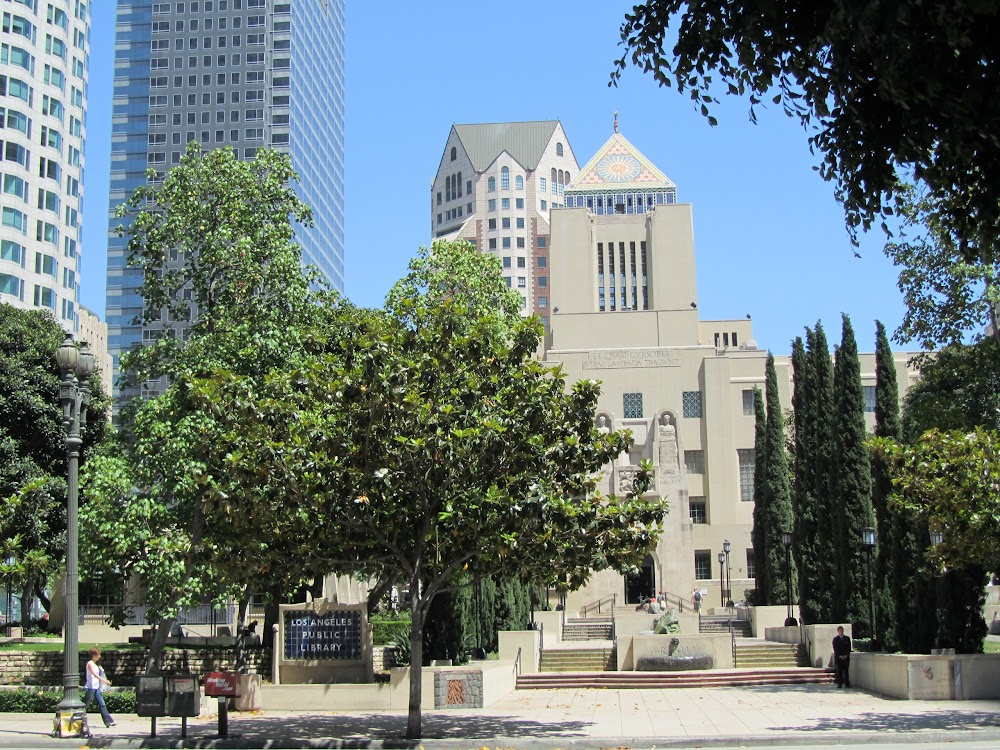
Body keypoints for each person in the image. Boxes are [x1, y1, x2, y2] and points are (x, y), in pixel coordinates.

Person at [84, 648, 116, 728]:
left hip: (96, 687)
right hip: (90, 687)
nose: (99, 656)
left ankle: (108, 721)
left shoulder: (95, 665)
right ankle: (79, 719)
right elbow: (95, 675)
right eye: (98, 655)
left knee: (102, 704)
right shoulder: (90, 663)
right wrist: (105, 681)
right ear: (93, 655)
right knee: (86, 705)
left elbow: (99, 674)